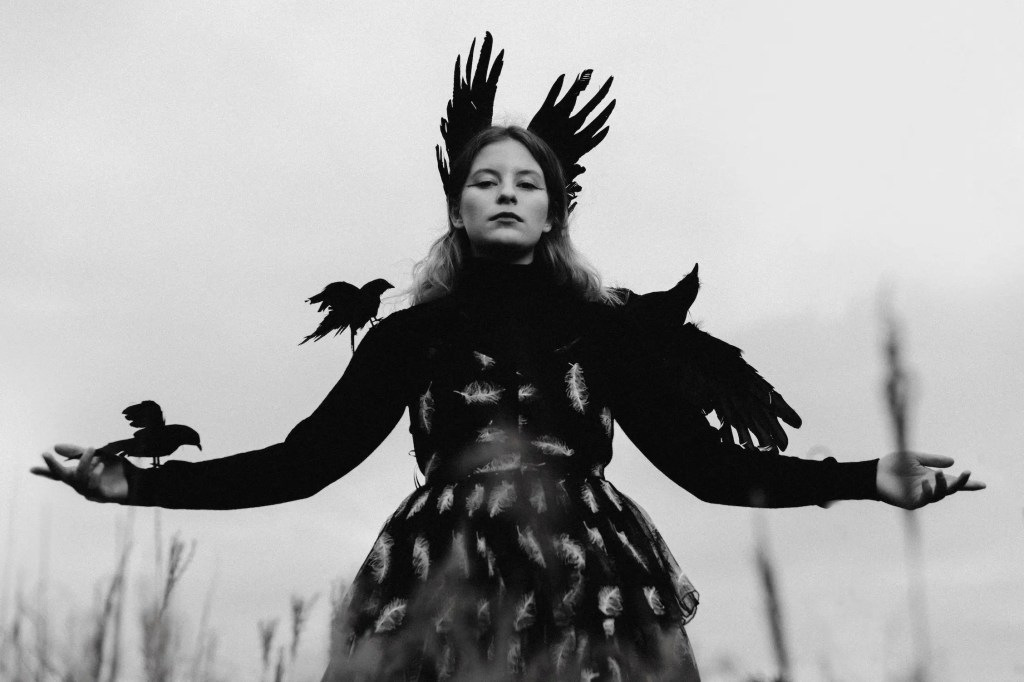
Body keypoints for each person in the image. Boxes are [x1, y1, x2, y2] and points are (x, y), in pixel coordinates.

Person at [33, 38, 984, 682]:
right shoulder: (409, 337)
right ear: (457, 206)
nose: (505, 192)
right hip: (436, 583)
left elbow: (706, 466)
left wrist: (866, 476)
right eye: (484, 179)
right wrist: (135, 485)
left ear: (554, 211)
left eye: (528, 182)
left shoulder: (607, 333)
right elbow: (301, 463)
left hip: (594, 590)